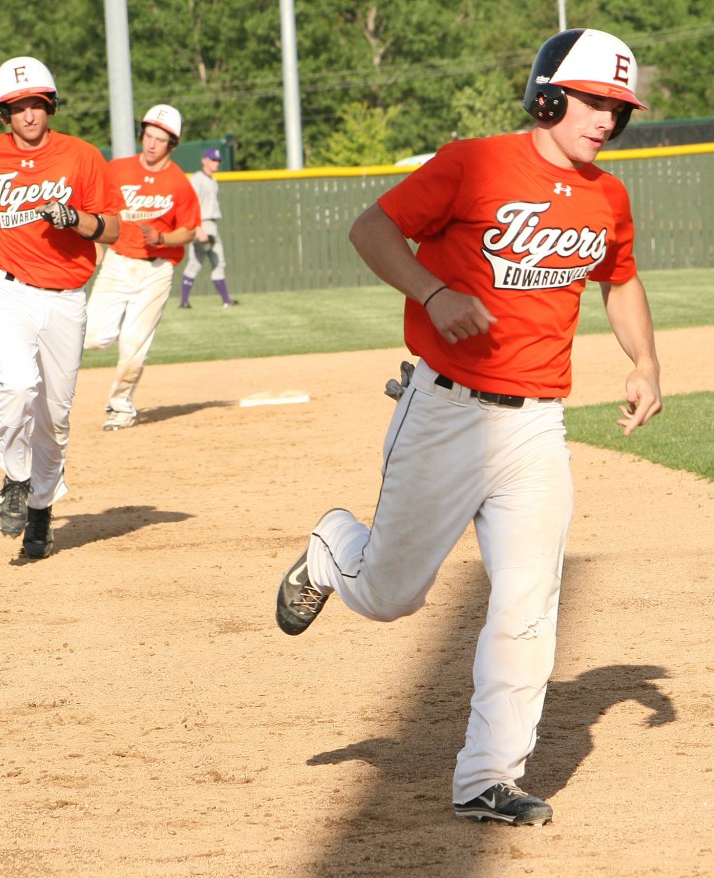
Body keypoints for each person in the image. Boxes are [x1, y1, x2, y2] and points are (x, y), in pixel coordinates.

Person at [274, 28, 661, 827]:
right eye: (593, 102)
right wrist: (430, 292)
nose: (606, 121)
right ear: (548, 95)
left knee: (529, 600)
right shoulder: (475, 162)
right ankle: (332, 545)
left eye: (618, 109)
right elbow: (372, 229)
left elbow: (619, 281)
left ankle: (488, 775)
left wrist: (645, 364)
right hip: (447, 409)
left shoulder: (606, 197)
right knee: (388, 596)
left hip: (538, 426)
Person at [0, 56, 121, 560]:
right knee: (17, 383)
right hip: (6, 289)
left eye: (36, 103)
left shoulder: (81, 156)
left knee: (54, 419)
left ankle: (40, 512)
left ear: (50, 106)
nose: (29, 114)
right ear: (3, 113)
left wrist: (75, 218)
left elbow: (115, 228)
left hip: (65, 299)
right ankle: (14, 478)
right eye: (17, 106)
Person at [85, 104, 201, 430]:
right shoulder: (117, 170)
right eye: (148, 136)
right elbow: (97, 210)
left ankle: (120, 407)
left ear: (172, 144)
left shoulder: (179, 184)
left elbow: (189, 230)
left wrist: (162, 235)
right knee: (93, 337)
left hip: (156, 269)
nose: (151, 144)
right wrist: (97, 250)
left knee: (134, 343)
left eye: (160, 139)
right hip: (118, 262)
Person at [179, 147, 237, 308]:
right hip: (203, 224)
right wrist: (198, 227)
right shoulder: (198, 178)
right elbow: (191, 202)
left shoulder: (212, 180)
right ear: (204, 160)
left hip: (208, 224)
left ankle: (185, 302)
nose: (217, 163)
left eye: (218, 160)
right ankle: (225, 300)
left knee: (203, 262)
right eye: (213, 160)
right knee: (211, 261)